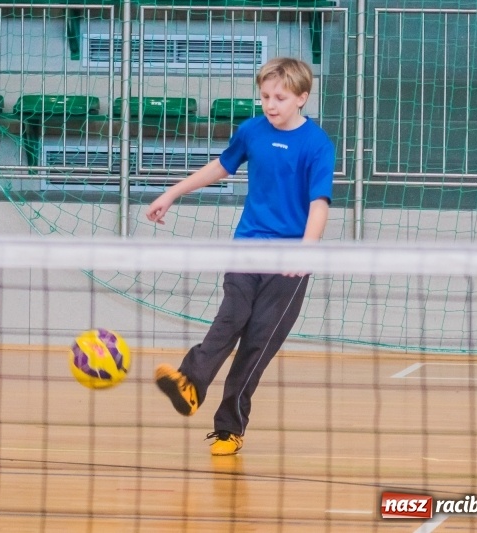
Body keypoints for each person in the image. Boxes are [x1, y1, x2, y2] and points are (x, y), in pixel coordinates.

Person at [145, 57, 335, 456]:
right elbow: (220, 167)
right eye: (265, 96)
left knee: (257, 344)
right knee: (230, 316)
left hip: (290, 262)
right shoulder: (251, 131)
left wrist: (306, 250)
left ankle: (230, 427)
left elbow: (320, 204)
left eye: (280, 97)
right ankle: (190, 383)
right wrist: (172, 192)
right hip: (247, 246)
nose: (270, 104)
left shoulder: (317, 145)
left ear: (302, 98)